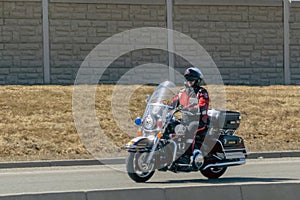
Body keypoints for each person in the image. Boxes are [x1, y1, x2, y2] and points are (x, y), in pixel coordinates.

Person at [171, 67, 209, 169]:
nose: (190, 82)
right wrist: (161, 107)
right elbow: (173, 103)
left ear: (197, 81)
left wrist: (194, 108)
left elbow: (203, 104)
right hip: (185, 120)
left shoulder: (201, 92)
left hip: (199, 121)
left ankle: (187, 156)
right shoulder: (182, 92)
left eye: (192, 80)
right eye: (188, 80)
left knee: (190, 130)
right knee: (171, 127)